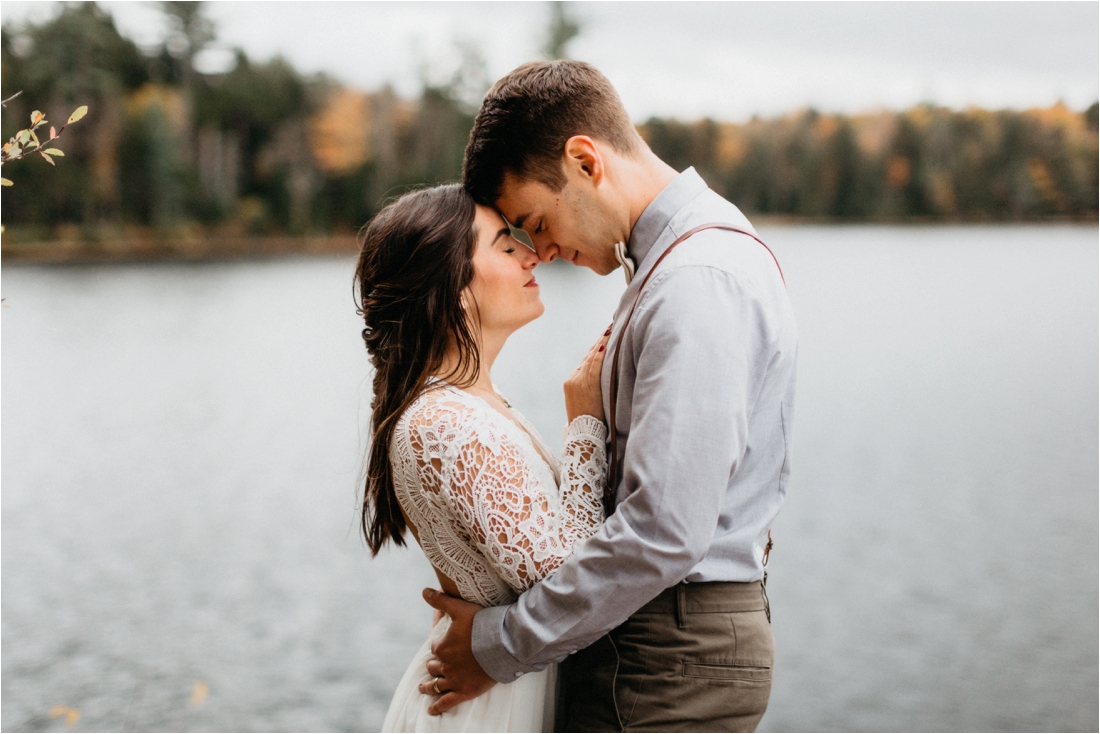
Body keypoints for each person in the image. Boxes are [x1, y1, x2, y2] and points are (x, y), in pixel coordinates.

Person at [422, 61, 798, 732]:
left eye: (534, 220)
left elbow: (662, 531)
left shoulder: (696, 280)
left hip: (665, 655)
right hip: (660, 643)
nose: (538, 248)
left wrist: (501, 643)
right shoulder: (679, 264)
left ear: (585, 161)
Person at [354, 183, 611, 732]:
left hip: (505, 686)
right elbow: (572, 585)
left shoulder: (467, 405)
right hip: (486, 709)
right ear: (451, 287)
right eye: (502, 244)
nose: (532, 252)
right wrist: (585, 424)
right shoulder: (445, 423)